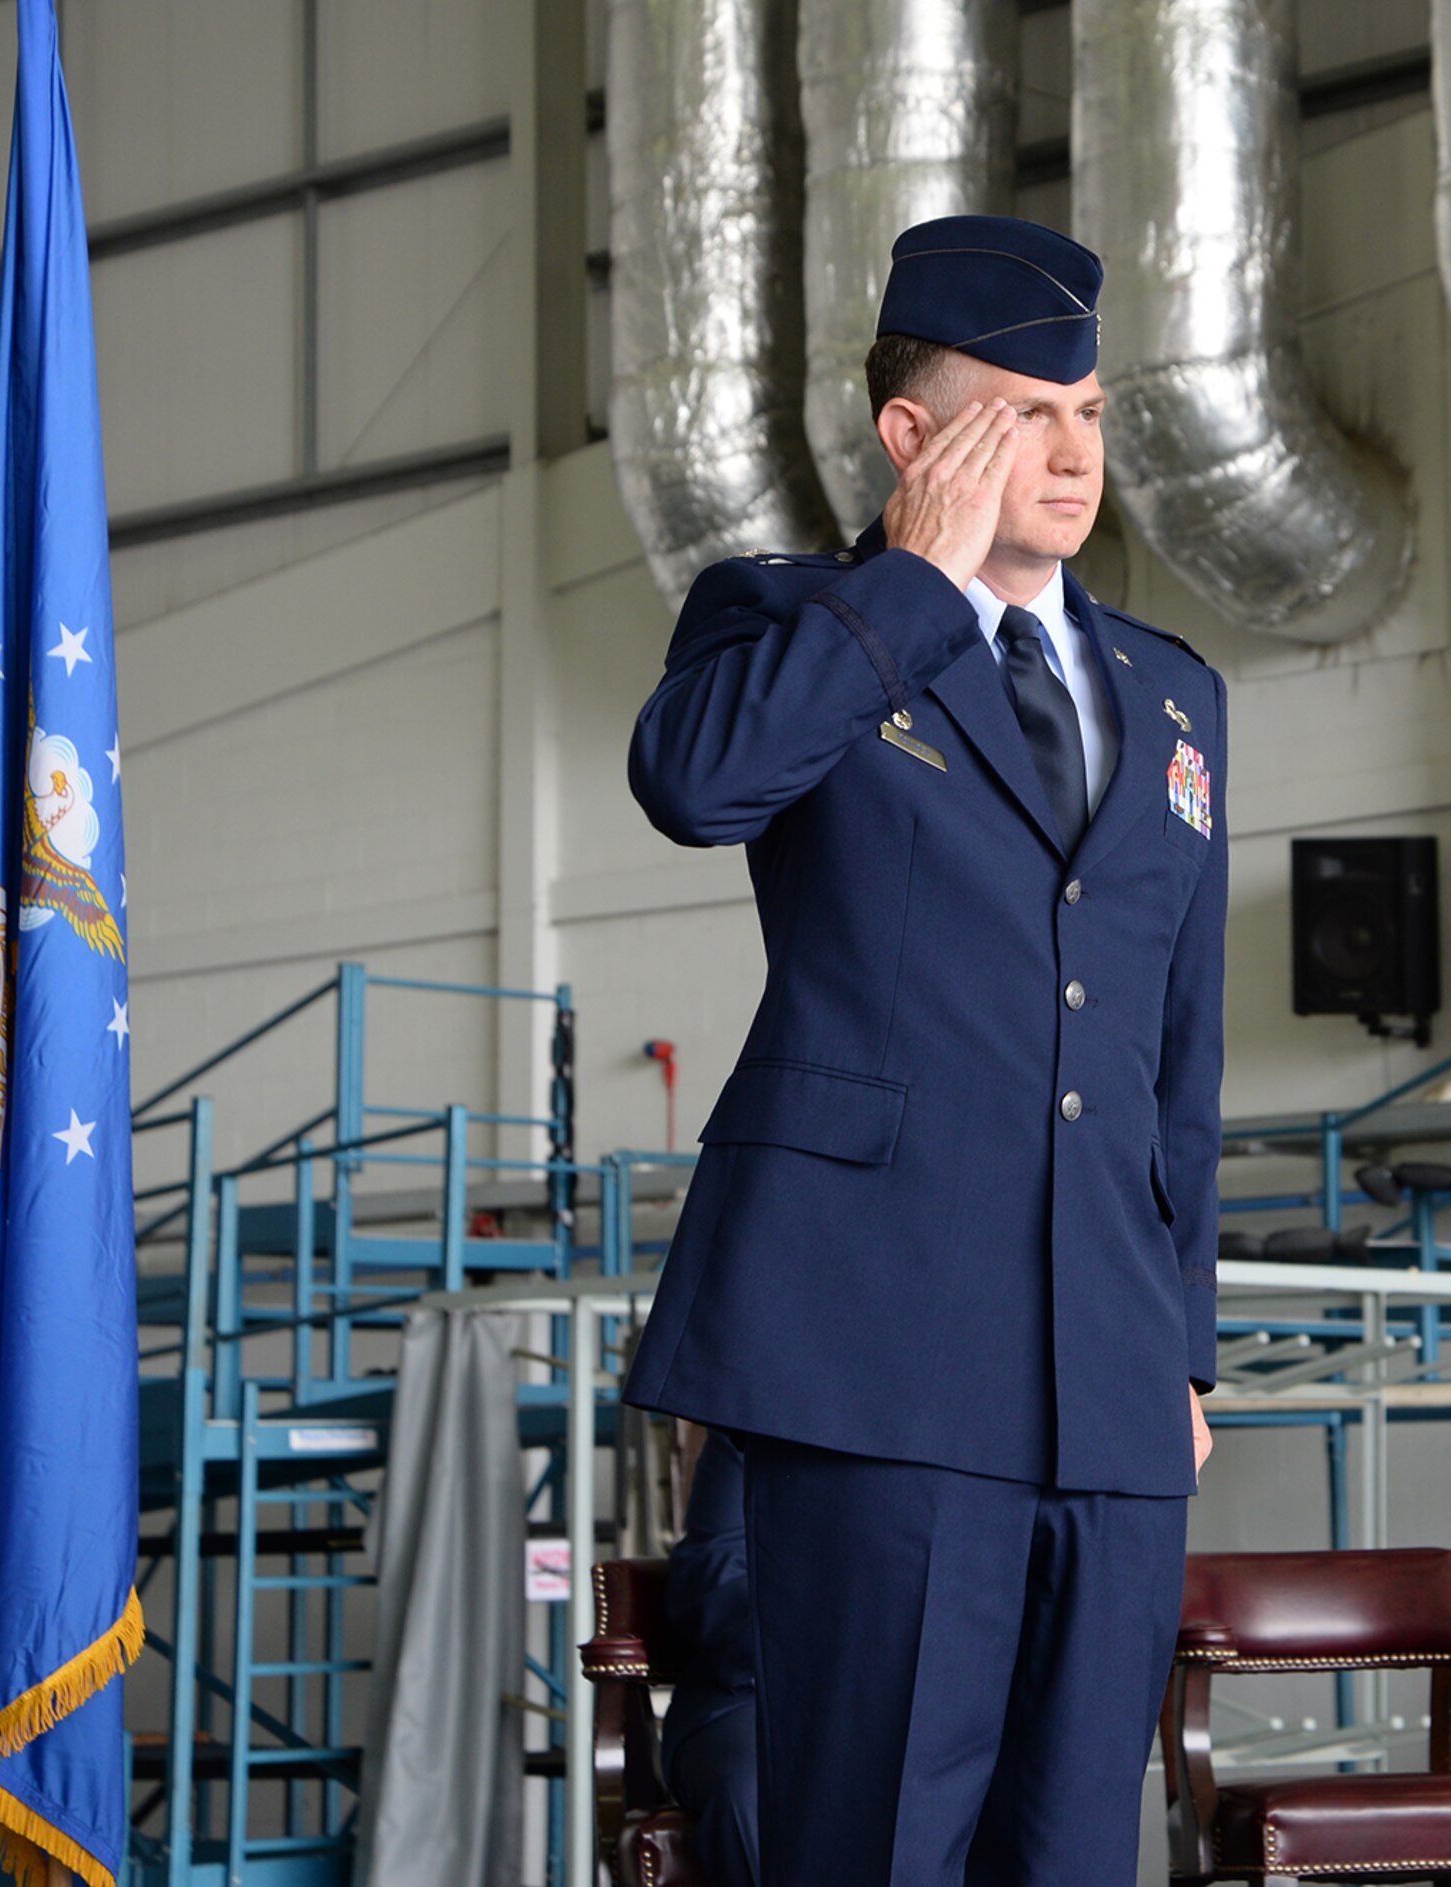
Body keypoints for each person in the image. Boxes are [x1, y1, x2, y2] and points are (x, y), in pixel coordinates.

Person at [623, 214, 1225, 1886]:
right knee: (874, 1845)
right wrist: (913, 580)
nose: (1074, 450)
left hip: (1107, 1382)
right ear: (914, 433)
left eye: (1091, 412)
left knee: (1072, 1854)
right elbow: (694, 783)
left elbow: (1181, 1046)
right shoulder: (796, 622)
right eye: (1026, 412)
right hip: (875, 1355)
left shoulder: (1175, 697)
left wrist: (1182, 1347)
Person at [661, 1429, 758, 1887]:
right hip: (755, 1697)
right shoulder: (755, 1420)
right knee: (753, 1790)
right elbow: (714, 1573)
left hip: (925, 1700)